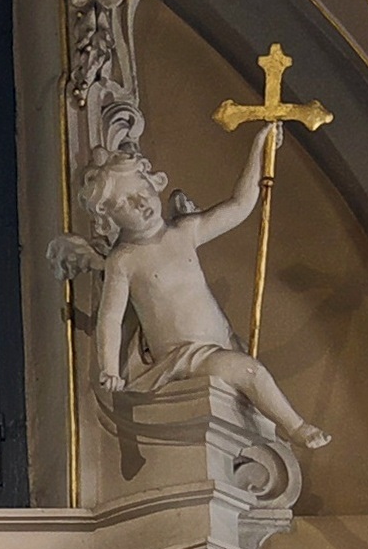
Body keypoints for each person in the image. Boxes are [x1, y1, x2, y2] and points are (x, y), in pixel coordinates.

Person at [84, 145, 330, 452]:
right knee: (251, 371)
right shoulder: (124, 260)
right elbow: (110, 317)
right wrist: (109, 367)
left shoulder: (185, 232)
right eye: (124, 203)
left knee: (246, 370)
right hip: (184, 357)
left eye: (142, 190)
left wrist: (258, 148)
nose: (140, 203)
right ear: (110, 214)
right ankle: (297, 427)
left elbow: (240, 204)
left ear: (153, 181)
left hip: (220, 343)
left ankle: (290, 426)